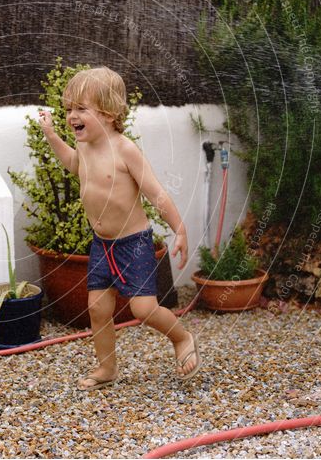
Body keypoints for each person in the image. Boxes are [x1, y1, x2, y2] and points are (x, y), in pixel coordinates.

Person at [37, 66, 201, 390]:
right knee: (98, 308)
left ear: (110, 113)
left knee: (143, 308)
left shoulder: (124, 149)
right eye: (69, 109)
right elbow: (73, 164)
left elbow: (155, 192)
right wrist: (51, 135)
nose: (72, 116)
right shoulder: (84, 147)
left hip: (133, 243)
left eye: (81, 109)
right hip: (102, 244)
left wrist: (179, 229)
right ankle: (106, 367)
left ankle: (182, 338)